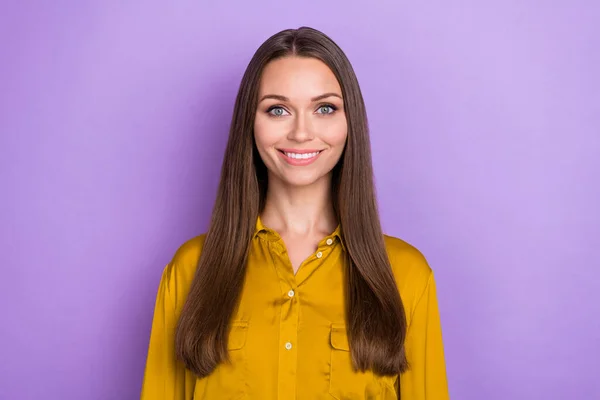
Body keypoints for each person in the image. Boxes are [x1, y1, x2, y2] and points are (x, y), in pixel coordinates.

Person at [141, 26, 449, 400]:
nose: (301, 132)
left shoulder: (407, 276)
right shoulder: (190, 270)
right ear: (250, 124)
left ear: (349, 122)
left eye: (324, 108)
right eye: (278, 109)